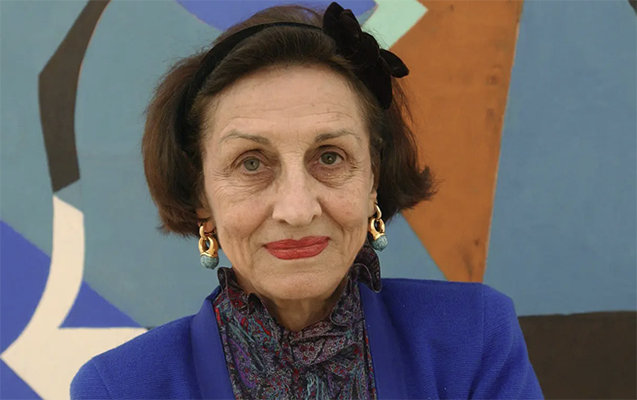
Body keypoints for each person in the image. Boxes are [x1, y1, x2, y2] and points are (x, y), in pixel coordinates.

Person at [70, 2, 543, 399]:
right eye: (251, 163)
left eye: (330, 157)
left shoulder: (473, 338)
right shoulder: (119, 389)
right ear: (201, 199)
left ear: (373, 180)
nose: (297, 210)